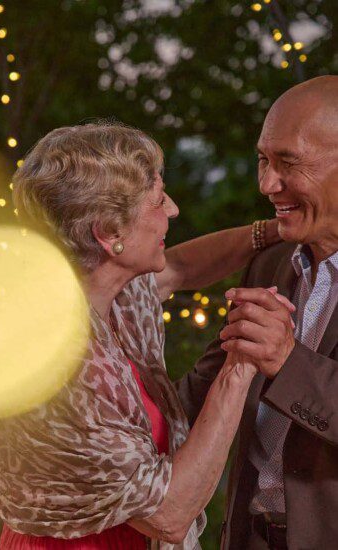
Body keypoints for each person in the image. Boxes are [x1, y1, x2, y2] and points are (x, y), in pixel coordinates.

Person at [0, 122, 284, 549]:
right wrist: (242, 363)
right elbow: (170, 514)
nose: (174, 210)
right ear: (108, 234)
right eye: (158, 200)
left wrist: (273, 231)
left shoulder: (107, 288)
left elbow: (181, 268)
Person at [177, 75, 338, 549]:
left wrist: (288, 361)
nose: (267, 183)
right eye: (262, 160)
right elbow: (194, 397)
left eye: (288, 162)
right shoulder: (269, 263)